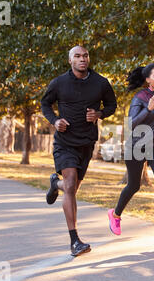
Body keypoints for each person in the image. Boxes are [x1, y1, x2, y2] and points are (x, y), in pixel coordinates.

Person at [41, 45, 117, 256]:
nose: (82, 59)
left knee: (71, 188)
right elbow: (45, 104)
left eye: (85, 56)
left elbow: (112, 106)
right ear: (70, 61)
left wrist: (99, 114)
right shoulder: (59, 83)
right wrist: (55, 121)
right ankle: (75, 240)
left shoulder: (101, 83)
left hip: (87, 143)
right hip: (64, 143)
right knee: (71, 183)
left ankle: (55, 184)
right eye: (77, 56)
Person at [107, 63, 154, 246]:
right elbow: (132, 124)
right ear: (148, 79)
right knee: (134, 185)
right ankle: (115, 214)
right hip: (136, 146)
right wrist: (148, 109)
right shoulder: (140, 97)